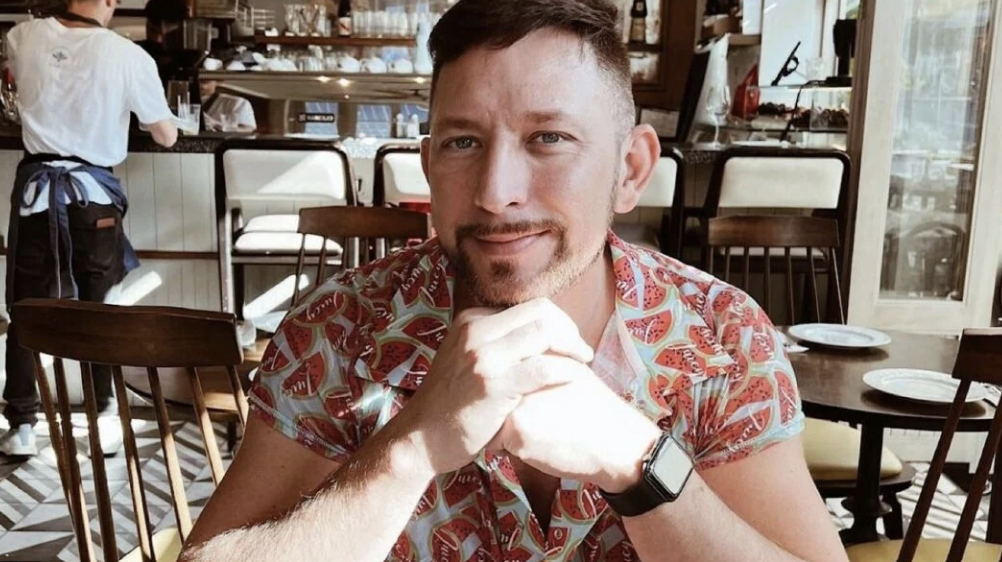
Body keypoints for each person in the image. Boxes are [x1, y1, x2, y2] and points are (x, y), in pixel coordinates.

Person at [181, 0, 848, 560]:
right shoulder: (338, 331)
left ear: (630, 170)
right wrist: (410, 448)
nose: (496, 192)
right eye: (463, 142)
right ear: (429, 165)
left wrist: (642, 465)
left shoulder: (723, 338)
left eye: (548, 138)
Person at [0, 0, 177, 457]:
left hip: (37, 196)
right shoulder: (128, 55)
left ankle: (22, 426)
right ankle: (104, 418)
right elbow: (165, 135)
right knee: (101, 311)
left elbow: (16, 85)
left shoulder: (21, 36)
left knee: (27, 308)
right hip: (92, 199)